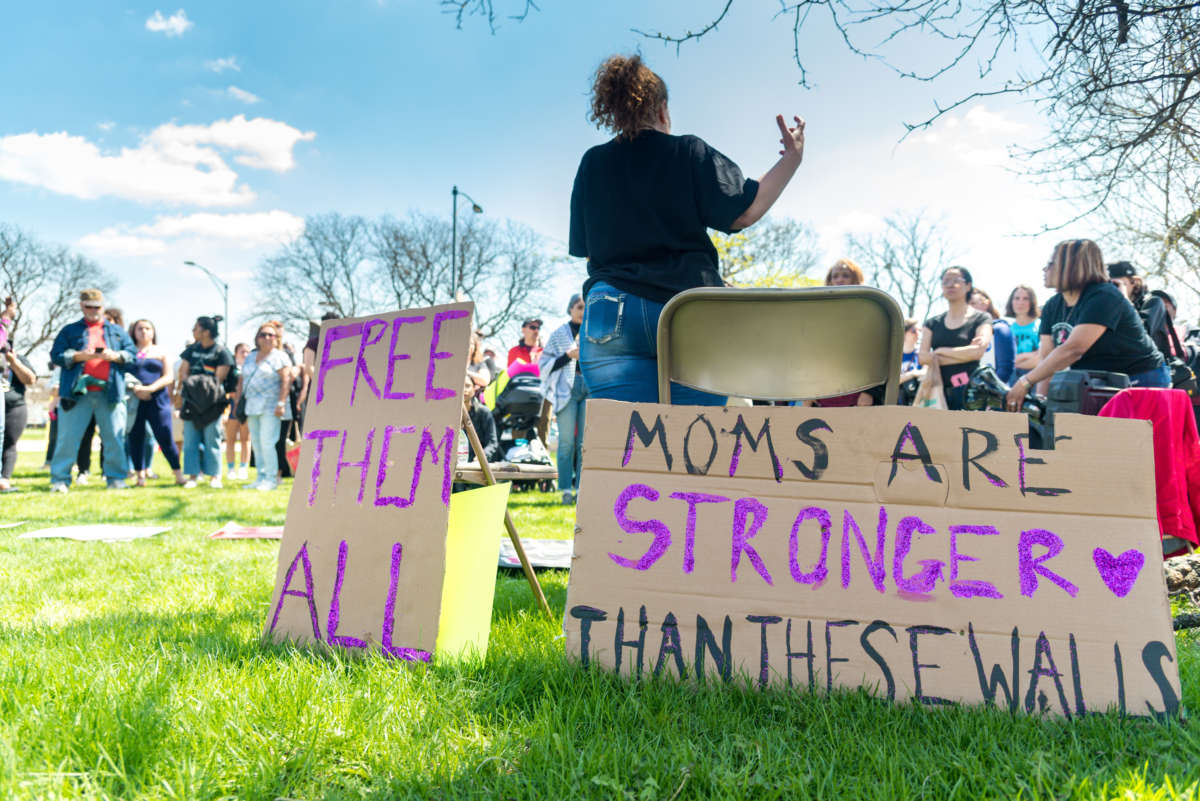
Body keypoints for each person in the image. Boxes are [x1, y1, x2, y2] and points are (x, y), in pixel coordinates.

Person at [570, 54, 806, 404]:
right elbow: (744, 211)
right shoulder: (688, 151)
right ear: (663, 109)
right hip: (688, 308)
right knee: (692, 445)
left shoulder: (592, 162)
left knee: (622, 446)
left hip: (612, 308)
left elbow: (589, 251)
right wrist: (792, 158)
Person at [1006, 240, 1168, 411]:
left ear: (1071, 266)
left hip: (1140, 378)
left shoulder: (1104, 295)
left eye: (1051, 264)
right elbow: (1047, 360)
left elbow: (1073, 350)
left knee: (1131, 437)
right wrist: (1041, 403)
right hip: (1098, 382)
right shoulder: (1052, 306)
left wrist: (1025, 382)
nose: (1045, 269)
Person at [47, 289, 136, 491]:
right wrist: (78, 356)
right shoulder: (69, 331)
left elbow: (132, 355)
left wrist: (117, 356)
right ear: (81, 306)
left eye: (97, 307)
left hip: (111, 393)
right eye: (89, 307)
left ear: (103, 307)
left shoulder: (117, 332)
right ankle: (60, 479)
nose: (93, 311)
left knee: (114, 437)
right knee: (67, 438)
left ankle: (115, 479)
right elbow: (56, 355)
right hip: (77, 393)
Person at [920, 267, 993, 410]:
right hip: (937, 393)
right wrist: (965, 353)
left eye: (956, 280)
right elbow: (922, 357)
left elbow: (977, 352)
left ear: (968, 285)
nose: (950, 285)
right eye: (945, 281)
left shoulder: (982, 318)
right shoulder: (932, 323)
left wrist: (940, 352)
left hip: (970, 394)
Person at [174, 316, 233, 489]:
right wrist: (192, 385)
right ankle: (193, 475)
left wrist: (199, 383)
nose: (193, 331)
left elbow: (219, 378)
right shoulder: (191, 350)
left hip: (212, 403)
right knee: (190, 440)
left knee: (212, 439)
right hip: (191, 402)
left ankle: (214, 476)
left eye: (196, 328)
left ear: (206, 332)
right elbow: (183, 372)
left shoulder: (221, 352)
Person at [540, 294, 588, 504]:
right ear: (570, 309)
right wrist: (568, 355)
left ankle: (582, 489)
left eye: (586, 307)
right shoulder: (560, 333)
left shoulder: (593, 330)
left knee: (585, 443)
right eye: (579, 307)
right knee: (566, 442)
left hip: (590, 387)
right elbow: (544, 364)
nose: (583, 311)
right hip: (566, 389)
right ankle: (565, 490)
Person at [234, 322, 293, 490]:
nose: (267, 338)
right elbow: (242, 380)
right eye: (263, 335)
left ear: (276, 338)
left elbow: (285, 381)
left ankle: (271, 478)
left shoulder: (280, 356)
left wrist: (281, 403)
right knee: (257, 443)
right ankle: (260, 476)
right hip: (252, 405)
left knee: (268, 441)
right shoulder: (251, 357)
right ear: (257, 338)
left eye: (271, 335)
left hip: (271, 405)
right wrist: (237, 401)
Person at [125, 319, 184, 487]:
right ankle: (140, 477)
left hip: (158, 400)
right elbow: (124, 374)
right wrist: (137, 388)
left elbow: (168, 377)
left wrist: (150, 389)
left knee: (165, 435)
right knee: (136, 437)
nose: (144, 331)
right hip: (135, 401)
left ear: (153, 332)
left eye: (147, 328)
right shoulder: (129, 352)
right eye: (140, 329)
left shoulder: (161, 351)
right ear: (133, 332)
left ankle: (178, 474)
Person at [1108, 261, 1173, 360]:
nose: (1111, 290)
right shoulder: (1110, 308)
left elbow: (1139, 334)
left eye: (1115, 285)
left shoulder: (1154, 302)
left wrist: (1124, 300)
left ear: (1135, 282)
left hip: (1149, 369)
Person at [1, 342, 36, 492]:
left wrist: (13, 361)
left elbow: (30, 380)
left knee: (9, 443)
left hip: (14, 407)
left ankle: (4, 479)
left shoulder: (20, 359)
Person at [968, 288, 1016, 384]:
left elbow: (1005, 369)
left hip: (994, 394)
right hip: (970, 394)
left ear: (985, 304)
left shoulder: (999, 329)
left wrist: (986, 390)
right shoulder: (965, 333)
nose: (969, 308)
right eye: (967, 305)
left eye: (973, 303)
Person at [224, 342, 251, 480]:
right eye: (242, 351)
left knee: (246, 439)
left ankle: (243, 467)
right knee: (230, 439)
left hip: (247, 406)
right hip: (232, 406)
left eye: (247, 351)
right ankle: (230, 469)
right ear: (236, 353)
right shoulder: (231, 368)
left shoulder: (253, 366)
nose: (245, 354)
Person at [1005, 285, 1040, 379]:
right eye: (1016, 298)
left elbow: (1041, 357)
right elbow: (1003, 359)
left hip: (1035, 376)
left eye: (1025, 299)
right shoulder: (1006, 328)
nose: (1020, 302)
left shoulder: (1041, 326)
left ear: (1032, 302)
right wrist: (1029, 355)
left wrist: (1016, 361)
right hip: (1011, 377)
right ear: (1011, 302)